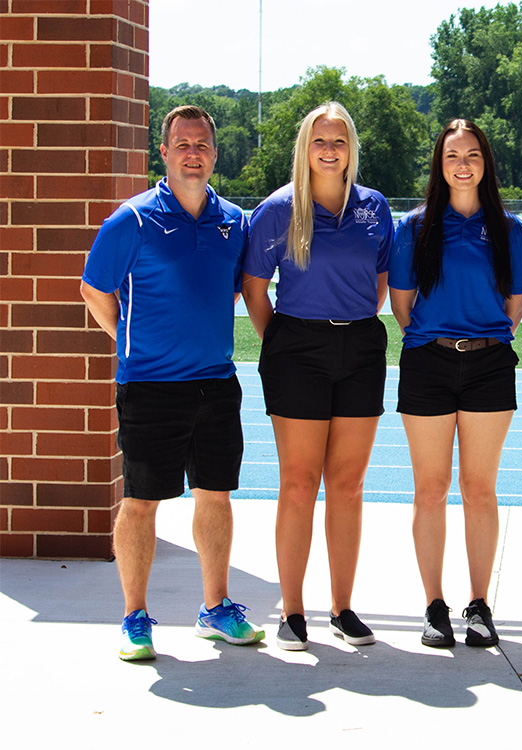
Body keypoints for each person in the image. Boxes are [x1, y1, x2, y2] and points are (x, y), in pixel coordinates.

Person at [80, 105, 264, 661]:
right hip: (150, 387)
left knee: (215, 496)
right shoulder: (130, 221)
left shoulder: (235, 221)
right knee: (140, 501)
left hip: (215, 384)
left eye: (202, 144)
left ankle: (215, 609)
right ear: (164, 153)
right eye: (181, 143)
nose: (192, 152)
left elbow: (233, 290)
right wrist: (132, 339)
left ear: (215, 152)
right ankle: (135, 617)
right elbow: (94, 291)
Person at [242, 102, 392, 652]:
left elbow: (379, 282)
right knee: (299, 484)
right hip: (296, 348)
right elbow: (256, 292)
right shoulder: (278, 211)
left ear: (351, 148)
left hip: (359, 346)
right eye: (319, 141)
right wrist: (284, 344)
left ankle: (343, 608)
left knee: (348, 486)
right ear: (305, 147)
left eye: (340, 141)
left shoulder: (374, 207)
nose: (330, 151)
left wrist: (346, 325)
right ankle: (294, 610)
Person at [389, 120, 522, 648]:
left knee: (479, 489)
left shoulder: (509, 229)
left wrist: (481, 340)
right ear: (440, 164)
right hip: (428, 363)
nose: (463, 163)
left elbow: (514, 307)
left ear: (485, 163)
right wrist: (436, 341)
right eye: (453, 155)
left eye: (473, 154)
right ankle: (434, 605)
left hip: (490, 367)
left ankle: (478, 605)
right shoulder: (416, 226)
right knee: (430, 489)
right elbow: (402, 305)